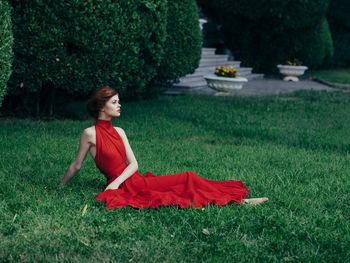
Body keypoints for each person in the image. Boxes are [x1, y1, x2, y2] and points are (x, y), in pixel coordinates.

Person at [58, 86, 268, 209]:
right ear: (102, 107)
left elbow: (134, 164)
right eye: (114, 102)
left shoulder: (120, 131)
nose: (119, 105)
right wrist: (60, 187)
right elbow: (77, 165)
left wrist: (117, 182)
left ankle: (236, 198)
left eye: (118, 101)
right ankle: (240, 202)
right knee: (184, 184)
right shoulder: (89, 134)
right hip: (126, 186)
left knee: (188, 178)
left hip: (134, 180)